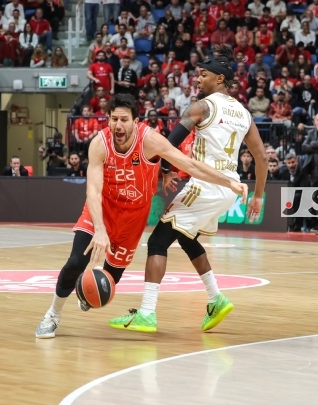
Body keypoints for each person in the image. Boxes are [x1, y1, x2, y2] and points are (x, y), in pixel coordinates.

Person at [35, 93, 248, 338]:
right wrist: (100, 230)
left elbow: (189, 165)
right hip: (102, 210)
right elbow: (93, 190)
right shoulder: (99, 144)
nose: (118, 125)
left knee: (110, 279)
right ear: (108, 119)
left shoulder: (150, 141)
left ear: (136, 122)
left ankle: (88, 292)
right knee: (76, 262)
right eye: (114, 119)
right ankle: (53, 314)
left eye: (124, 120)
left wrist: (228, 182)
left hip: (132, 219)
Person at [108, 48, 268, 333]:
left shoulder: (202, 107)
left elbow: (169, 143)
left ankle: (147, 313)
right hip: (228, 187)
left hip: (206, 185)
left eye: (203, 75)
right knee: (186, 237)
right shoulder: (244, 113)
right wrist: (257, 196)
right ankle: (216, 299)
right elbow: (262, 158)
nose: (198, 79)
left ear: (219, 79)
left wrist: (165, 168)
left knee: (157, 242)